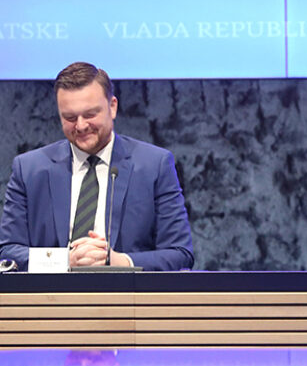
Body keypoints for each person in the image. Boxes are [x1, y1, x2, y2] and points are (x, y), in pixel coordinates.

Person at [0, 62, 193, 271]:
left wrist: (120, 261)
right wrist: (64, 260)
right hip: (53, 291)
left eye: (90, 115)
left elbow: (180, 254)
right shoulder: (29, 170)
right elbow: (7, 253)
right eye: (70, 117)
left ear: (112, 107)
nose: (81, 126)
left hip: (127, 290)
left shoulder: (154, 165)